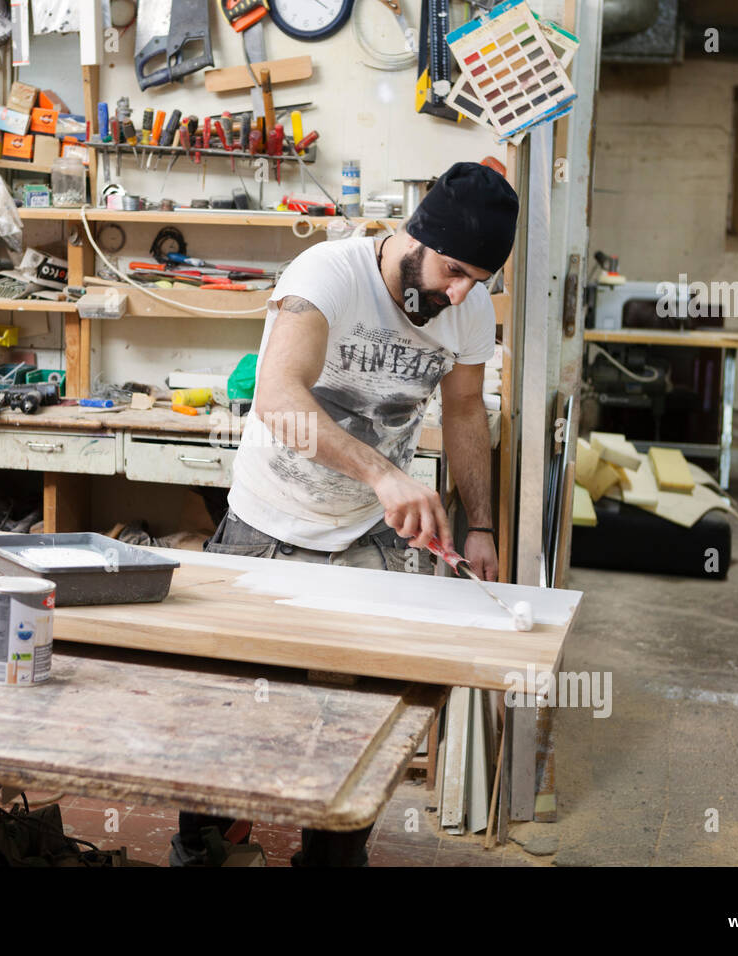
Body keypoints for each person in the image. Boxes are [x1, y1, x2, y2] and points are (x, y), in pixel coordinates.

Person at [170, 162, 520, 867]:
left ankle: (331, 860)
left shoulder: (468, 305)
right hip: (268, 526)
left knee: (355, 728)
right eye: (452, 271)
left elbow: (461, 413)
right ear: (414, 238)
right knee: (226, 718)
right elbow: (277, 400)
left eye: (477, 282)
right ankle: (204, 849)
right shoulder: (327, 274)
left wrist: (479, 523)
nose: (458, 294)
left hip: (371, 537)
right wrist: (384, 473)